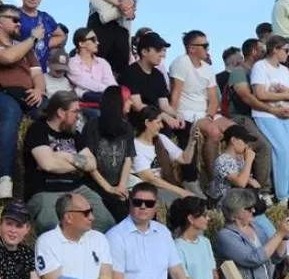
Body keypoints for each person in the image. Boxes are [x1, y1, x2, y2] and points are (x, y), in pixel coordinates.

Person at [0, 1, 48, 200]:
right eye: (14, 19)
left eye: (19, 20)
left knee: (48, 111)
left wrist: (39, 90)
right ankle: (5, 178)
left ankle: (47, 172)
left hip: (23, 94)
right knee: (11, 110)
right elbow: (7, 57)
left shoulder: (25, 48)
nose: (19, 24)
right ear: (0, 22)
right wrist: (32, 38)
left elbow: (37, 74)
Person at [22, 90, 114, 231]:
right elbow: (48, 165)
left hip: (77, 189)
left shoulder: (74, 134)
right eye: (75, 111)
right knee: (52, 225)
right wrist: (79, 164)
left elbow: (92, 164)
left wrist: (65, 156)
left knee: (105, 221)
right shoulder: (38, 130)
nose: (78, 116)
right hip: (45, 191)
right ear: (61, 112)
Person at [169, 30, 234, 190]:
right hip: (187, 113)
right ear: (192, 48)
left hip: (205, 114)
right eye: (204, 45)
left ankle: (236, 176)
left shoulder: (208, 69)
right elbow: (176, 92)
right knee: (214, 132)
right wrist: (171, 115)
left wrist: (210, 116)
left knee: (237, 131)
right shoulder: (181, 62)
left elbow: (214, 99)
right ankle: (214, 181)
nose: (208, 49)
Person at [223, 37, 279, 197]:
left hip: (261, 116)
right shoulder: (239, 72)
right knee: (263, 146)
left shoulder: (263, 72)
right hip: (241, 117)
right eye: (263, 50)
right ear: (254, 52)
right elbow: (246, 97)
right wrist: (272, 110)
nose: (266, 53)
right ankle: (262, 192)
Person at [250, 35, 289, 205]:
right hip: (266, 115)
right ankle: (282, 194)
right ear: (275, 50)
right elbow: (260, 94)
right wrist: (284, 95)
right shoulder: (260, 66)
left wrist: (288, 102)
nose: (288, 53)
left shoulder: (284, 70)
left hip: (285, 114)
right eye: (285, 50)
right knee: (282, 151)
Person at [81, 85, 135, 221]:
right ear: (117, 103)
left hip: (120, 184)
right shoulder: (92, 126)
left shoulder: (128, 128)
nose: (131, 102)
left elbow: (128, 159)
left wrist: (121, 186)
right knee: (120, 212)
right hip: (96, 185)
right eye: (128, 99)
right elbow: (89, 164)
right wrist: (109, 188)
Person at [130, 105, 201, 206]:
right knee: (181, 203)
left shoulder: (161, 139)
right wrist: (181, 191)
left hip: (166, 185)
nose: (162, 126)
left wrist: (192, 141)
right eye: (158, 122)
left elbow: (185, 159)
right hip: (149, 189)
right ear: (147, 123)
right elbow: (149, 179)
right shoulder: (136, 146)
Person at [17, 0, 64, 72]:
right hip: (18, 68)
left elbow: (60, 35)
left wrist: (46, 44)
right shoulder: (14, 14)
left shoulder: (46, 18)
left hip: (40, 70)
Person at [208, 124, 262, 202]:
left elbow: (245, 179)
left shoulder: (239, 160)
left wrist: (249, 181)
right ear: (233, 140)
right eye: (245, 141)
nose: (246, 145)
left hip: (238, 199)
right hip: (227, 203)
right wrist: (249, 160)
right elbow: (241, 183)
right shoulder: (223, 160)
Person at [68, 26, 117, 106]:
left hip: (106, 99)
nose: (97, 42)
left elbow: (111, 82)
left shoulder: (102, 62)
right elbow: (85, 83)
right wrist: (109, 90)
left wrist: (112, 91)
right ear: (81, 44)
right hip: (82, 104)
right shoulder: (72, 63)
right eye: (93, 39)